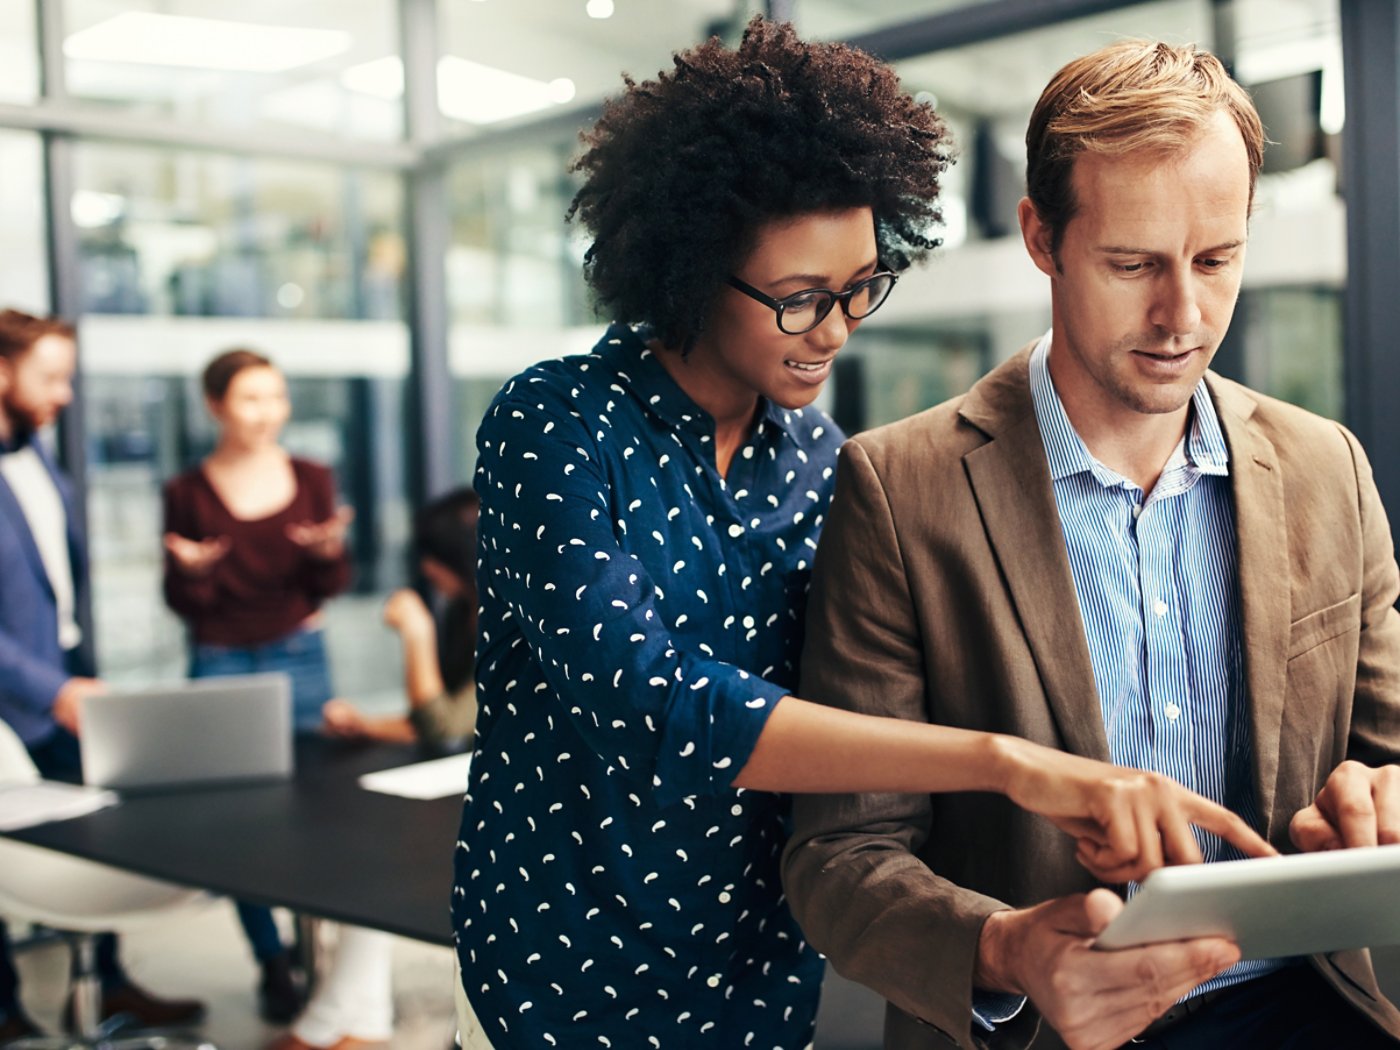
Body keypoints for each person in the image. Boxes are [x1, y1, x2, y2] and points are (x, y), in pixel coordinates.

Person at [450, 21, 1275, 1050]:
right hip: (560, 960)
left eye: (858, 288)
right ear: (692, 265)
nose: (836, 329)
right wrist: (1008, 762)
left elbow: (849, 712)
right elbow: (647, 699)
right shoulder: (557, 422)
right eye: (798, 300)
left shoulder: (817, 457)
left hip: (755, 975)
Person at [781, 39, 1400, 1050]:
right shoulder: (900, 490)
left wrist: (1380, 797)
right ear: (1040, 237)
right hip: (1042, 1030)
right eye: (1131, 264)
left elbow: (1387, 747)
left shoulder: (1324, 465)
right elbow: (839, 856)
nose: (1182, 315)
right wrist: (1008, 949)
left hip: (1303, 1010)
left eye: (1215, 259)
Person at [0, 308, 205, 1041]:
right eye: (51, 377)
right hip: (23, 701)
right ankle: (9, 1016)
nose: (64, 394)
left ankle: (111, 987)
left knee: (101, 830)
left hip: (66, 682)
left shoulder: (37, 456)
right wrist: (50, 690)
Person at [162, 347, 353, 1024]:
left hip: (300, 654)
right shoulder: (186, 491)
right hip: (219, 661)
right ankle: (270, 956)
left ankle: (319, 951)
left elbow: (330, 587)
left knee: (314, 808)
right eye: (249, 399)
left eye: (275, 397)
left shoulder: (310, 477)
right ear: (215, 406)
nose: (266, 412)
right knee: (239, 822)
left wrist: (328, 555)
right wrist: (194, 572)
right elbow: (186, 606)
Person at [260, 489, 481, 1050]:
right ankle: (349, 1019)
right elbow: (443, 718)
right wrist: (368, 724)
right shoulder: (466, 610)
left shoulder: (503, 613)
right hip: (463, 781)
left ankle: (343, 1021)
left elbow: (447, 722)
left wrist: (416, 633)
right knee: (374, 850)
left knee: (385, 854)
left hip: (494, 799)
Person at [322, 487, 480, 751]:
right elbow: (430, 715)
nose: (426, 568)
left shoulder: (513, 627)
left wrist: (418, 633)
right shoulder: (460, 612)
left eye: (436, 556)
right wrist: (364, 725)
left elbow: (443, 728)